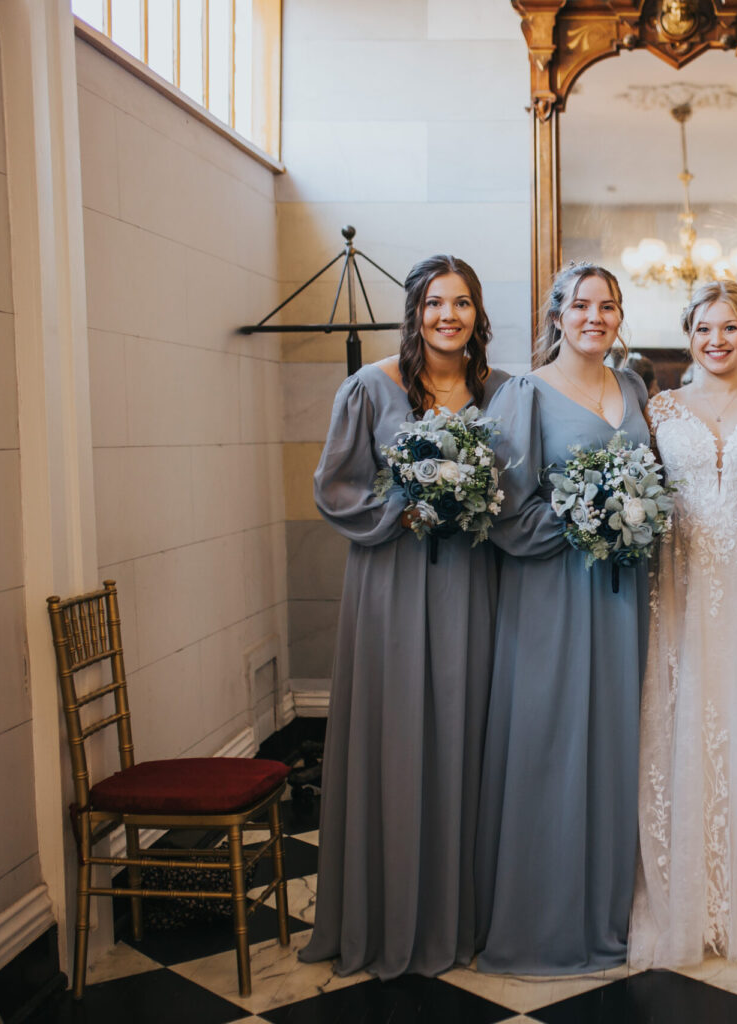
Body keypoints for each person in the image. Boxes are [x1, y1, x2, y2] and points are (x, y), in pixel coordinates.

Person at [302, 255, 509, 978]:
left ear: (479, 314)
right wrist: (404, 506)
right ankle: (387, 917)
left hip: (474, 584)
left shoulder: (504, 392)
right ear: (414, 312)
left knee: (467, 732)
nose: (448, 316)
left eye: (461, 304)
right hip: (391, 581)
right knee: (397, 736)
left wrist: (479, 500)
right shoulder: (370, 387)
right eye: (433, 303)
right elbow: (335, 488)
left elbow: (519, 487)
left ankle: (467, 916)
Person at [474, 263, 652, 974]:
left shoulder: (632, 386)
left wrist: (631, 513)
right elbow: (507, 516)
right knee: (550, 740)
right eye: (581, 305)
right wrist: (589, 518)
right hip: (552, 592)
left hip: (622, 593)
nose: (595, 317)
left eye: (608, 306)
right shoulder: (524, 394)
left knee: (614, 741)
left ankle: (609, 913)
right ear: (556, 315)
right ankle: (542, 923)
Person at [630, 282, 737, 968]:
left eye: (729, 328)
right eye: (704, 329)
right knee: (682, 723)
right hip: (683, 587)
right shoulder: (660, 407)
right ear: (689, 334)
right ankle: (682, 897)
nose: (717, 340)